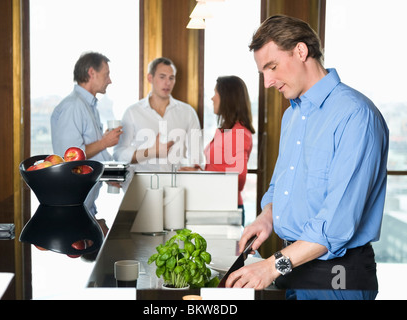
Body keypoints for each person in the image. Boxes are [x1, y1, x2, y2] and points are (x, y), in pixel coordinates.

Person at [225, 15, 389, 300]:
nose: (267, 82)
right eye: (263, 72)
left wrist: (269, 268)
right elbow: (282, 187)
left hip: (338, 276)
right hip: (293, 268)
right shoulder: (292, 116)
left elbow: (335, 228)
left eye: (272, 67)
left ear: (301, 52)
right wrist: (267, 217)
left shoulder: (356, 116)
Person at [51, 52, 123, 215]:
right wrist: (105, 142)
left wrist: (111, 175)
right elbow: (69, 157)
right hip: (74, 202)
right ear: (92, 73)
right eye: (107, 74)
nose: (110, 80)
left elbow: (92, 153)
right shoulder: (73, 106)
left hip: (86, 202)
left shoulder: (89, 106)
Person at [180, 76, 255, 225]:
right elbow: (220, 169)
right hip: (217, 204)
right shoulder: (227, 131)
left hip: (227, 207)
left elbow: (237, 180)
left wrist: (204, 176)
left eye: (216, 93)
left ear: (227, 98)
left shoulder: (237, 134)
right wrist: (200, 172)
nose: (212, 98)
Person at [113, 57, 203, 171]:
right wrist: (151, 152)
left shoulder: (188, 112)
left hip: (178, 185)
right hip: (142, 185)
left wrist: (195, 169)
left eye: (171, 78)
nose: (168, 82)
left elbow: (197, 156)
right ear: (150, 78)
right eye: (162, 77)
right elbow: (119, 154)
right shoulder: (132, 113)